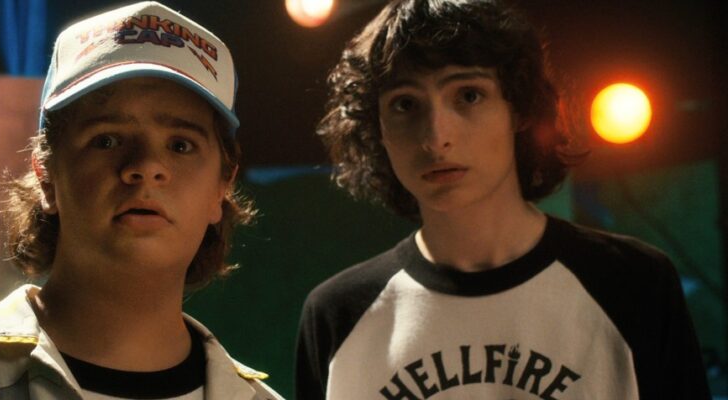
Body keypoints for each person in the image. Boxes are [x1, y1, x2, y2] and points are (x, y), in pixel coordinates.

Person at [295, 0, 711, 399]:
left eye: (468, 95)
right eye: (405, 104)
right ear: (378, 129)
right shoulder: (338, 315)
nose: (436, 137)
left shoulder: (633, 284)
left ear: (520, 110)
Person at [0, 2, 283, 399]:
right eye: (106, 140)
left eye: (181, 145)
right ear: (46, 175)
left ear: (222, 187)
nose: (146, 166)